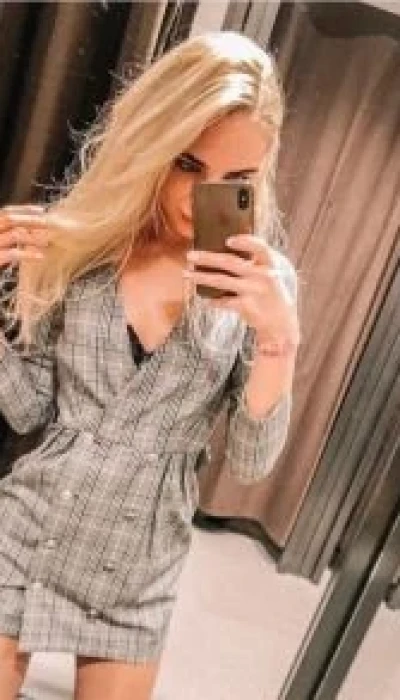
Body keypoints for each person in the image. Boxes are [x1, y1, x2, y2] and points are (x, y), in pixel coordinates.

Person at [0, 31, 299, 700]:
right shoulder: (83, 245)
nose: (202, 197)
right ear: (152, 144)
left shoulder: (259, 284)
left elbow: (249, 463)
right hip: (26, 534)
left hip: (137, 573)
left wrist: (279, 340)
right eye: (188, 164)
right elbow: (26, 409)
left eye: (236, 179)